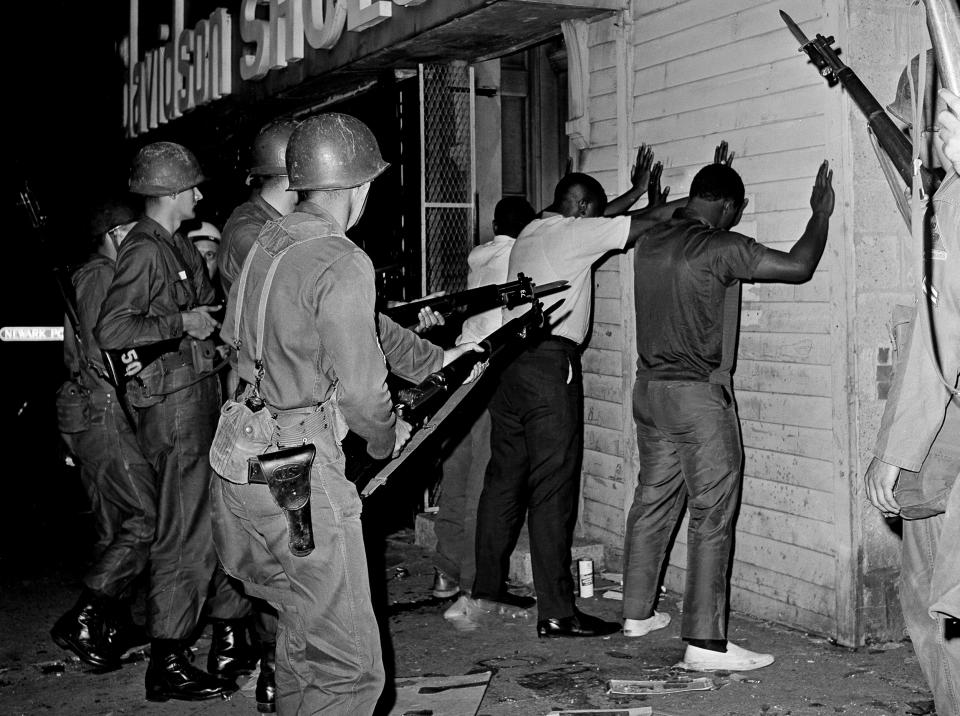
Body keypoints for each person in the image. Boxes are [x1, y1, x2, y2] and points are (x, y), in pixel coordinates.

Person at [211, 113, 481, 714]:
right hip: (297, 477)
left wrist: (437, 356)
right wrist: (389, 439)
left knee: (306, 634)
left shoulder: (265, 244)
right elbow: (364, 397)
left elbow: (250, 337)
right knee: (353, 673)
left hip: (242, 460)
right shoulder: (342, 259)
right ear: (359, 187)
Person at [620, 153, 834, 670]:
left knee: (652, 501)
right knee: (712, 516)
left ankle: (635, 614)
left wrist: (701, 190)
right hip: (696, 399)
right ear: (728, 207)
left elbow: (677, 212)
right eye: (735, 211)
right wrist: (820, 215)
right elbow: (799, 266)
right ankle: (706, 645)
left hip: (649, 392)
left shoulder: (650, 242)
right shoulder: (722, 247)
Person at [470, 146, 674, 638]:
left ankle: (487, 587)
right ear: (582, 208)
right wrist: (685, 199)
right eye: (594, 210)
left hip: (509, 363)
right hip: (547, 366)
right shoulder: (575, 233)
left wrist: (631, 193)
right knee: (552, 488)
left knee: (504, 479)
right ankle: (558, 611)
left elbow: (600, 219)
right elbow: (645, 223)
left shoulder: (535, 229)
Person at [94, 142, 250, 701]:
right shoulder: (143, 250)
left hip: (196, 396)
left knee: (207, 526)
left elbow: (204, 311)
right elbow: (113, 331)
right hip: (175, 408)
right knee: (182, 534)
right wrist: (182, 319)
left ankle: (198, 644)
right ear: (170, 193)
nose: (200, 194)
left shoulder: (175, 244)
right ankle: (167, 659)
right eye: (192, 187)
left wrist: (207, 317)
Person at [863, 57, 959, 714]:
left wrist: (894, 450)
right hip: (942, 431)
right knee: (926, 595)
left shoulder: (951, 206)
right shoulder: (944, 196)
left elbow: (937, 338)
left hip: (942, 425)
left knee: (942, 606)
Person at [51, 199, 154, 670]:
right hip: (105, 413)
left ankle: (110, 622)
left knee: (113, 527)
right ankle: (85, 618)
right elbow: (105, 352)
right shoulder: (98, 277)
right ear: (115, 235)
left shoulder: (97, 275)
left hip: (93, 413)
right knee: (147, 519)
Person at [432, 197, 536, 611]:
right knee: (484, 481)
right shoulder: (521, 254)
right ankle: (474, 581)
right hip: (490, 372)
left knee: (456, 476)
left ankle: (445, 569)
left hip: (458, 373)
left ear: (494, 224)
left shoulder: (480, 256)